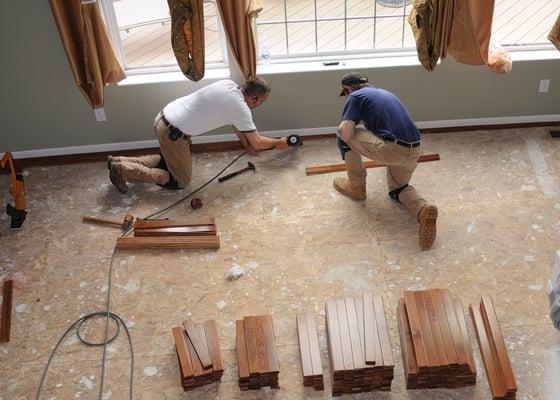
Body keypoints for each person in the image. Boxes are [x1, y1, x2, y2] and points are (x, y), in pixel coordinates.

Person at [108, 77, 288, 193]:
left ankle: (119, 161)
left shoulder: (228, 85)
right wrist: (279, 142)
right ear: (253, 98)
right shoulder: (240, 108)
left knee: (166, 161)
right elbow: (257, 142)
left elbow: (238, 125)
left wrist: (244, 143)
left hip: (163, 119)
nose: (260, 105)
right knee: (178, 181)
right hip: (173, 134)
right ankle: (124, 171)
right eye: (261, 102)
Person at [334, 72, 438, 250]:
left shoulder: (355, 97)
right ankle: (423, 210)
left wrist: (347, 127)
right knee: (398, 189)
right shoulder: (382, 93)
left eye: (344, 94)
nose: (345, 98)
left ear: (347, 89)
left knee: (342, 134)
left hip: (393, 150)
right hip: (414, 149)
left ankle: (357, 188)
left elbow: (347, 131)